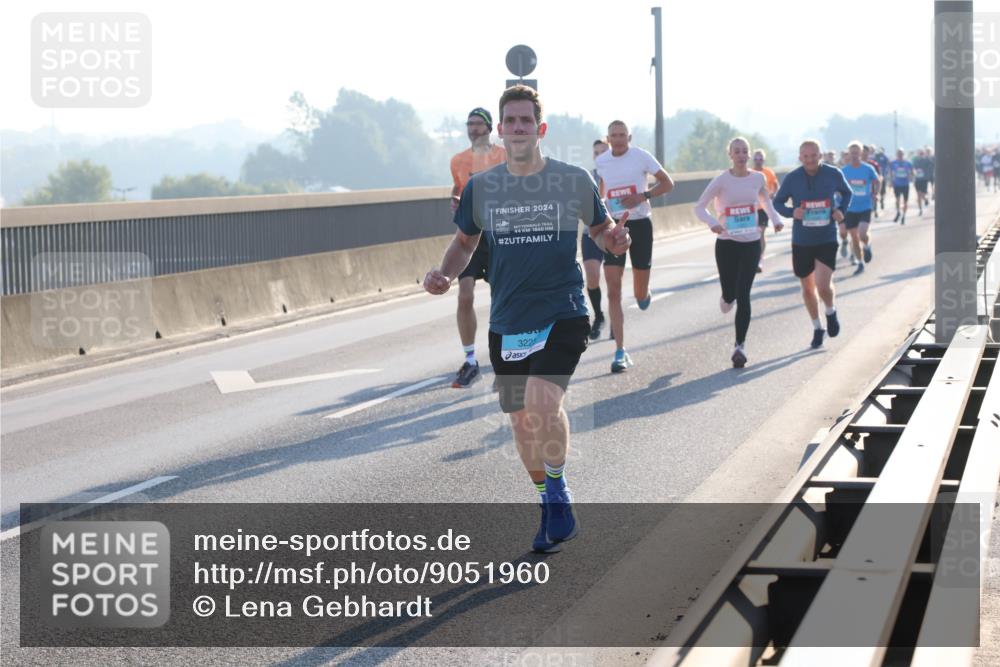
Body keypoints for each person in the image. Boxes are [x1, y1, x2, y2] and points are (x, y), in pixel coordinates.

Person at [424, 85, 630, 553]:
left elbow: (601, 231)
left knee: (542, 402)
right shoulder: (482, 187)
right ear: (500, 130)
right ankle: (546, 502)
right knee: (521, 423)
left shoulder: (572, 179)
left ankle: (558, 489)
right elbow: (464, 245)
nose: (517, 128)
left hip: (563, 310)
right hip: (508, 320)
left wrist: (616, 242)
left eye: (525, 121)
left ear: (541, 129)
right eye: (510, 121)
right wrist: (443, 274)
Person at [694, 138, 785, 368]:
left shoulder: (757, 178)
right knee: (730, 295)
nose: (742, 155)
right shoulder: (721, 180)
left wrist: (775, 219)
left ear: (749, 154)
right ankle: (726, 297)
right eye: (737, 151)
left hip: (751, 242)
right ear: (730, 155)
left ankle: (739, 347)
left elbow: (764, 198)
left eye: (745, 151)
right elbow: (699, 207)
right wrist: (713, 223)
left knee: (744, 294)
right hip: (726, 243)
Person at [594, 120, 674, 373]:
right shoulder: (602, 162)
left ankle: (643, 293)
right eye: (613, 136)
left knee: (639, 293)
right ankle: (620, 351)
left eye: (622, 135)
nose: (618, 139)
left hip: (640, 225)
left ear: (629, 136)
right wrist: (601, 214)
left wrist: (642, 196)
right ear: (607, 139)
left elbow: (668, 183)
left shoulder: (641, 156)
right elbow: (601, 192)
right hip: (614, 228)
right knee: (613, 291)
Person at [448, 108, 508, 388]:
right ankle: (470, 360)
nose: (473, 129)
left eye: (478, 124)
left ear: (488, 128)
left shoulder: (503, 156)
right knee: (465, 294)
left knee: (501, 297)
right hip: (472, 233)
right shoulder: (458, 160)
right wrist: (455, 199)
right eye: (469, 124)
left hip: (500, 233)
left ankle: (504, 357)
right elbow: (458, 188)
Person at [773, 139, 853, 349]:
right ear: (800, 158)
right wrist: (792, 212)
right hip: (802, 240)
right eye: (806, 156)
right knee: (808, 289)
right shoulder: (793, 178)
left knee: (823, 284)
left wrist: (841, 210)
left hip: (826, 236)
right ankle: (818, 327)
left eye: (813, 155)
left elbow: (847, 193)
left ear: (820, 155)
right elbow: (777, 202)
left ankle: (830, 311)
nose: (810, 159)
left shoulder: (833, 173)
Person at [840, 141, 881, 275]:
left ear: (861, 153)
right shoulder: (844, 171)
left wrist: (875, 193)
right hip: (850, 208)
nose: (854, 155)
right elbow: (838, 187)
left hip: (865, 205)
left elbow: (877, 181)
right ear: (849, 154)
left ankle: (867, 246)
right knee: (854, 237)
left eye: (857, 153)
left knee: (863, 233)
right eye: (852, 153)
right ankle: (860, 262)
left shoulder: (868, 168)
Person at [583, 140, 609, 340]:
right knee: (592, 277)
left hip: (613, 232)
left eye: (603, 152)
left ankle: (616, 320)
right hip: (590, 234)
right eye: (596, 153)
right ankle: (599, 316)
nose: (599, 156)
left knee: (613, 280)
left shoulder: (617, 175)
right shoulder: (587, 177)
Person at [752, 148, 779, 273]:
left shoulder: (768, 173)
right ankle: (750, 258)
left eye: (760, 158)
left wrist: (772, 194)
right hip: (750, 208)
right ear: (753, 160)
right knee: (751, 234)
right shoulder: (749, 173)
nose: (758, 161)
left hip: (763, 208)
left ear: (764, 160)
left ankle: (760, 260)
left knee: (760, 232)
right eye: (756, 159)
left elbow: (775, 185)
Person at [889, 148, 914, 225]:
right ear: (897, 154)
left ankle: (903, 216)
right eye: (898, 153)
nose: (900, 155)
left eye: (901, 153)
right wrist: (891, 181)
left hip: (905, 184)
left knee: (905, 201)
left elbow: (912, 172)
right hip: (897, 184)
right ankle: (898, 212)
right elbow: (890, 172)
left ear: (903, 154)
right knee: (897, 200)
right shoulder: (893, 163)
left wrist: (911, 177)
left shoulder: (908, 163)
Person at [913, 149, 933, 213]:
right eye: (920, 153)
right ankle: (920, 209)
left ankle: (925, 199)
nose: (921, 155)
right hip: (917, 180)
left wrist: (928, 156)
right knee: (918, 195)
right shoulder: (916, 161)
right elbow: (913, 168)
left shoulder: (926, 160)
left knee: (923, 194)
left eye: (922, 153)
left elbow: (932, 163)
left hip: (924, 180)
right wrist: (914, 173)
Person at [874, 146, 890, 212]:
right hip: (875, 177)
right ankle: (875, 207)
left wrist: (886, 173)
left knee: (883, 191)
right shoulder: (875, 157)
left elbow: (888, 166)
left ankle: (882, 200)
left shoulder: (885, 157)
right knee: (875, 191)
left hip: (882, 176)